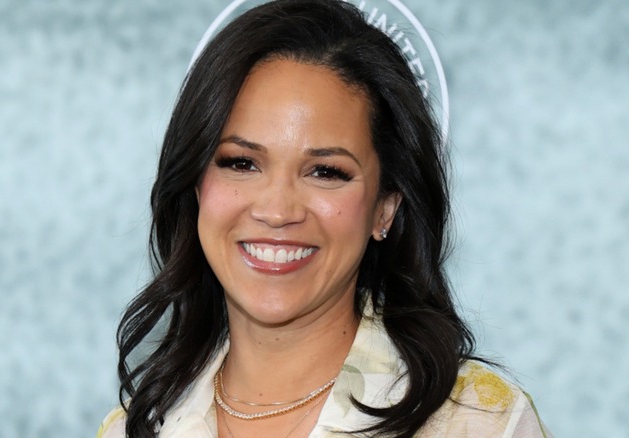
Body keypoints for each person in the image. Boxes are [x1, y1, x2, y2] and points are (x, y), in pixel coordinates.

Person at [98, 0, 550, 436]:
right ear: (196, 186)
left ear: (385, 208)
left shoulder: (479, 424)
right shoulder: (134, 428)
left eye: (326, 172)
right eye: (241, 163)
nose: (277, 211)